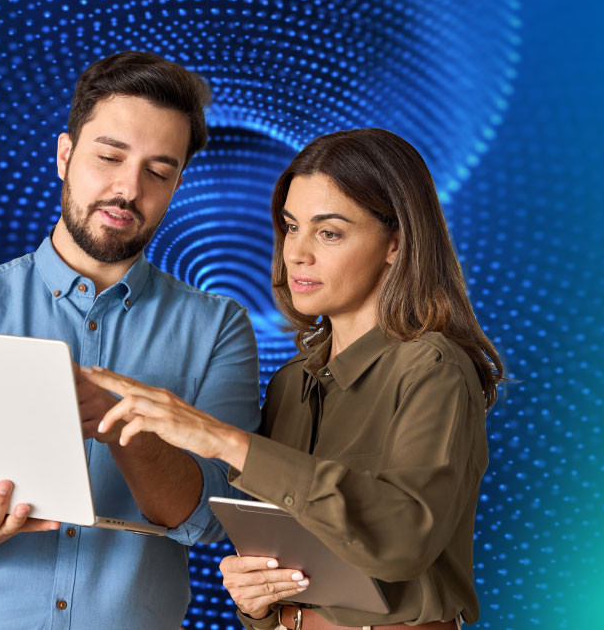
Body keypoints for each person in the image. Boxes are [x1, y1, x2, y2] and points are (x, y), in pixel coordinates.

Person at [0, 51, 262, 630]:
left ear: (177, 185)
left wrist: (121, 422)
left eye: (158, 172)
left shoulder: (218, 329)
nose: (128, 189)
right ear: (64, 156)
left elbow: (212, 518)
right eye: (109, 156)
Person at [89, 128, 505, 629]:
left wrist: (225, 440)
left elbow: (402, 542)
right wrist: (257, 601)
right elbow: (285, 561)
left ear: (395, 243)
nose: (297, 253)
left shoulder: (433, 368)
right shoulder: (290, 382)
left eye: (329, 233)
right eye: (291, 227)